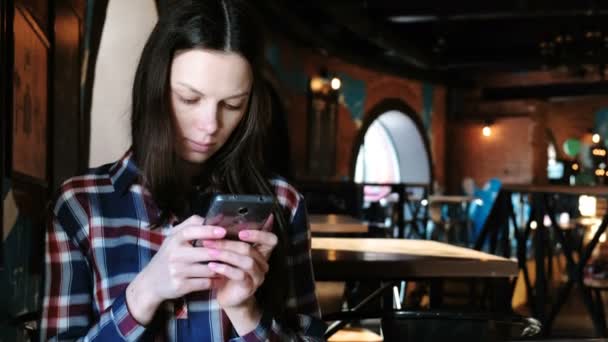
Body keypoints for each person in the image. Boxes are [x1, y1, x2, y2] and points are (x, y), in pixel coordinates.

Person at [39, 0, 326, 340]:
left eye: (233, 104)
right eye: (189, 99)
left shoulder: (283, 203)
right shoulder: (80, 205)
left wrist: (245, 312)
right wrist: (143, 294)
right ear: (155, 89)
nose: (210, 125)